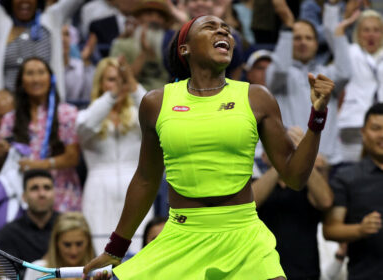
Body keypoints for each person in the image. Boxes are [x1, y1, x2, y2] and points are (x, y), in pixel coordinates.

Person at [82, 15, 334, 280]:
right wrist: (115, 249)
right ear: (185, 48)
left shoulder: (257, 97)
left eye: (227, 30)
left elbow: (294, 177)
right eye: (210, 28)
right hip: (181, 236)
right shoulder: (156, 103)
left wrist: (317, 118)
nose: (223, 32)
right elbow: (146, 179)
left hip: (244, 235)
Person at [75, 57, 152, 254]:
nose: (117, 84)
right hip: (98, 190)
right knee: (100, 251)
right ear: (100, 82)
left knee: (140, 250)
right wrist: (111, 96)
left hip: (136, 187)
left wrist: (133, 85)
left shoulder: (138, 114)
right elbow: (83, 128)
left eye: (121, 79)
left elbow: (155, 113)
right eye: (111, 79)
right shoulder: (88, 114)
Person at [266, 4, 354, 166]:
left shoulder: (326, 74)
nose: (303, 42)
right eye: (297, 38)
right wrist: (287, 28)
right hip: (290, 160)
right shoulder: (279, 74)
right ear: (289, 42)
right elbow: (280, 69)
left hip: (327, 160)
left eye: (308, 38)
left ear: (316, 43)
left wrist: (339, 36)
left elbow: (345, 73)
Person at [0, 57, 82, 212]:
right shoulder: (10, 119)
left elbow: (72, 157)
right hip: (23, 193)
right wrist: (2, 151)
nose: (36, 79)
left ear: (51, 79)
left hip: (61, 191)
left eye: (41, 73)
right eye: (30, 73)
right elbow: (4, 161)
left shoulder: (67, 113)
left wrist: (36, 165)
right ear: (21, 81)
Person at [253, 126, 334, 280]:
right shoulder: (257, 184)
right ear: (263, 157)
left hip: (305, 272)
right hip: (265, 272)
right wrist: (283, 164)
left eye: (289, 147)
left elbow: (326, 201)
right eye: (276, 148)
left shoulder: (307, 186)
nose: (285, 152)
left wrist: (303, 155)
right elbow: (251, 202)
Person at [0, 0, 84, 109]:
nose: (24, 1)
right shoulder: (0, 22)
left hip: (45, 108)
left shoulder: (52, 19)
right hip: (5, 108)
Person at [323, 103, 383, 279]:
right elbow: (330, 229)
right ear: (363, 133)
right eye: (376, 128)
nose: (382, 134)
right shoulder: (346, 178)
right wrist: (360, 230)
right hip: (366, 274)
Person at [333, 9, 383, 163]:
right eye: (366, 30)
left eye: (376, 30)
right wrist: (341, 27)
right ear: (358, 34)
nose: (371, 35)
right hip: (353, 122)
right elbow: (335, 36)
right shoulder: (350, 52)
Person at [0, 169, 58, 277]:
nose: (42, 194)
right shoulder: (9, 233)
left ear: (54, 194)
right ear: (24, 196)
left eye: (47, 188)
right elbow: (7, 276)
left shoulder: (69, 228)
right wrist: (41, 268)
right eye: (34, 188)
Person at [23, 211, 95, 280]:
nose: (74, 251)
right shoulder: (37, 269)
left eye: (79, 244)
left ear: (88, 242)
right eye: (67, 245)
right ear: (56, 243)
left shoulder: (98, 272)